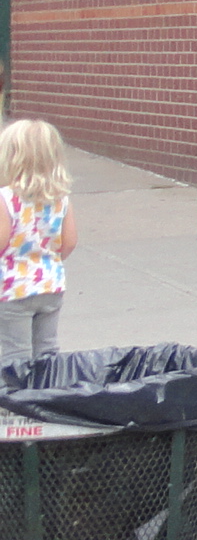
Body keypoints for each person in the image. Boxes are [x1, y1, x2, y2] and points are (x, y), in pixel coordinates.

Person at [0, 119, 78, 362]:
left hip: (13, 288)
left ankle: (17, 387)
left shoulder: (5, 199)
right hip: (51, 284)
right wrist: (47, 260)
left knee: (16, 355)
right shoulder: (60, 198)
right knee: (47, 350)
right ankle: (47, 384)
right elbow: (69, 242)